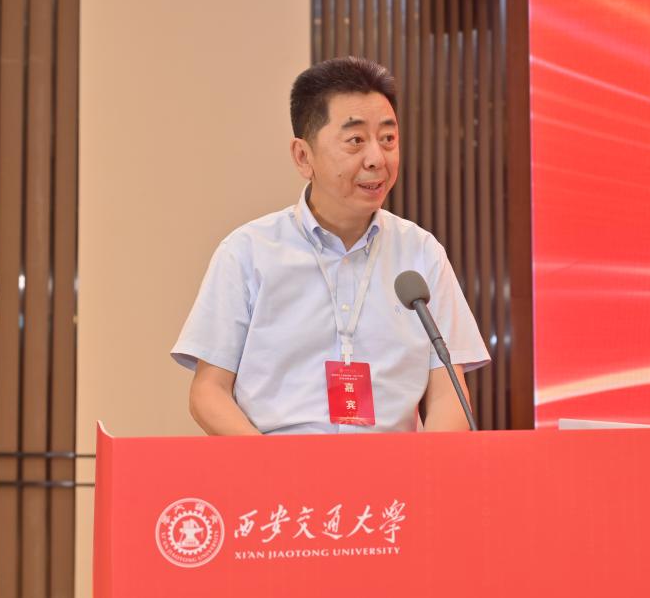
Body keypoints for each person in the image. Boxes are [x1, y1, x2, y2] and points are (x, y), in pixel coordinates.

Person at [171, 57, 489, 435]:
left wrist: (424, 469)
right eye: (356, 141)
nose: (377, 159)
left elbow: (448, 394)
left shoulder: (421, 253)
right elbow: (208, 392)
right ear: (303, 156)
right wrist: (270, 466)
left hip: (393, 471)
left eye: (388, 139)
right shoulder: (247, 252)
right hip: (280, 467)